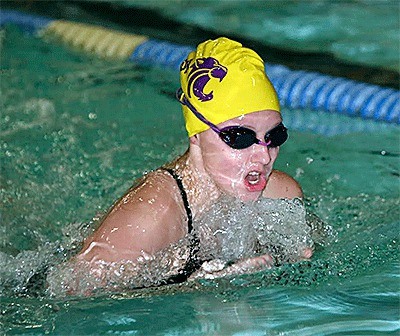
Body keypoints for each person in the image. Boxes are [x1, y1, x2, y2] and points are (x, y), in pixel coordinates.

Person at [67, 37, 313, 290]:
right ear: (195, 134)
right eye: (240, 138)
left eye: (274, 136)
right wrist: (185, 291)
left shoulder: (281, 195)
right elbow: (67, 298)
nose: (264, 156)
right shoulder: (152, 216)